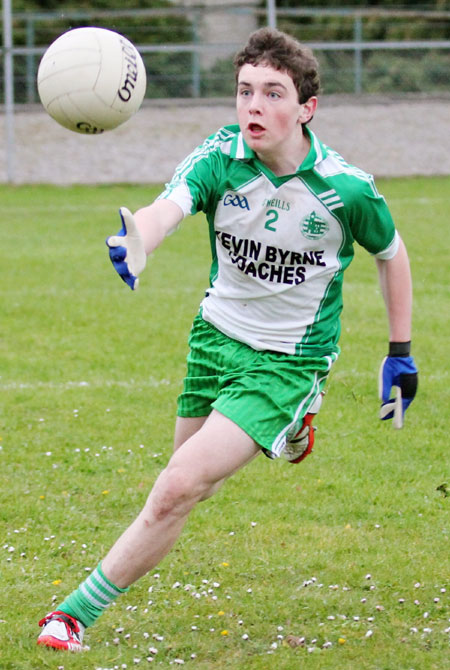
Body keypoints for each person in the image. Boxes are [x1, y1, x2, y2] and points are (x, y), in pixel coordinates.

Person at [37, 27, 418, 652]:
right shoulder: (220, 157)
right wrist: (141, 240)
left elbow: (391, 253)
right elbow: (170, 206)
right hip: (214, 340)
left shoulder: (345, 188)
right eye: (244, 92)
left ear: (306, 109)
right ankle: (295, 433)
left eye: (272, 93)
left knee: (177, 485)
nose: (254, 107)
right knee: (187, 485)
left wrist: (399, 353)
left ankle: (73, 615)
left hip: (288, 362)